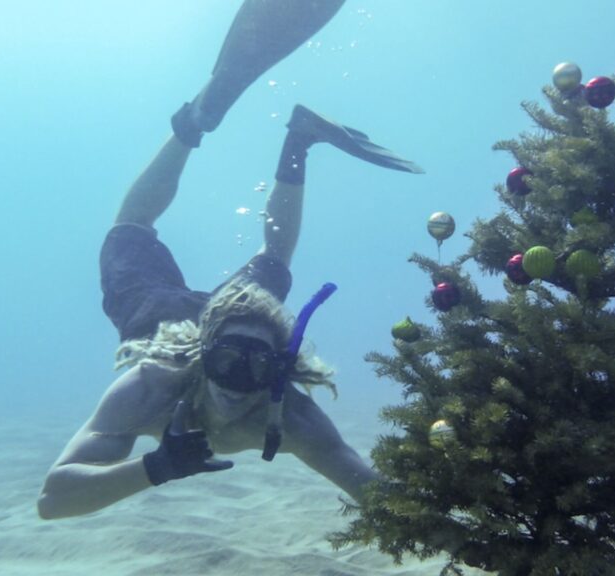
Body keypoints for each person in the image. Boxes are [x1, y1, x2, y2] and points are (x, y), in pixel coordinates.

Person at [38, 0, 422, 520]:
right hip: (160, 326)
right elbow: (53, 500)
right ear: (203, 353)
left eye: (257, 366)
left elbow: (374, 492)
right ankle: (255, 134)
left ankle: (239, 127)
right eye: (227, 362)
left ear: (278, 368)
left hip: (198, 316)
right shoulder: (154, 383)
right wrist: (156, 467)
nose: (237, 381)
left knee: (142, 229)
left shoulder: (292, 417)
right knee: (188, 239)